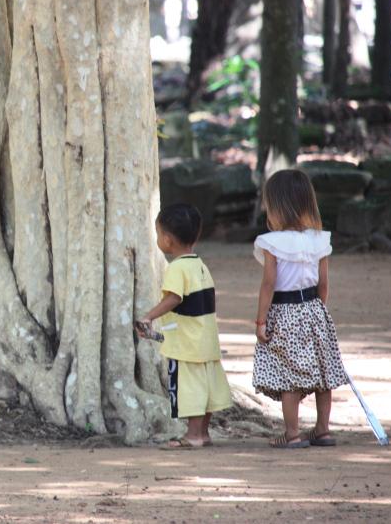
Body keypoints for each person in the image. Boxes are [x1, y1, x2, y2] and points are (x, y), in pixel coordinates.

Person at [253, 169, 349, 449]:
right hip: (315, 310)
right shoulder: (318, 240)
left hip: (284, 312)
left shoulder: (273, 242)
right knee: (323, 371)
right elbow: (324, 283)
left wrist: (261, 321)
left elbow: (268, 284)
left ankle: (292, 433)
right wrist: (318, 312)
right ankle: (322, 429)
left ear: (276, 206)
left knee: (288, 374)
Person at [136, 203, 232, 449]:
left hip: (186, 346)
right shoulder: (199, 265)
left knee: (189, 391)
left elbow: (174, 298)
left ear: (167, 240)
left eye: (158, 234)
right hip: (205, 340)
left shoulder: (176, 268)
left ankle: (193, 435)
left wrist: (148, 316)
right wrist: (157, 336)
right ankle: (203, 432)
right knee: (207, 389)